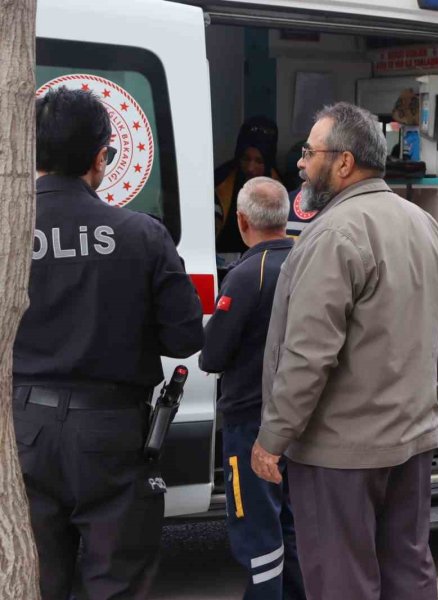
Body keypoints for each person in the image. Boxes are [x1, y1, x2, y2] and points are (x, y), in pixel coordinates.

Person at [250, 102, 438, 600]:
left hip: (339, 454)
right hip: (410, 441)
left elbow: (307, 355)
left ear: (344, 162)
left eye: (310, 152)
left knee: (342, 580)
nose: (301, 163)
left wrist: (273, 437)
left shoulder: (334, 233)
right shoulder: (421, 223)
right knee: (408, 571)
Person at [13, 86, 204, 599]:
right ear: (101, 157)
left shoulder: (8, 234)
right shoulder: (141, 233)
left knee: (34, 577)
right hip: (112, 431)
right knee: (117, 580)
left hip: (23, 427)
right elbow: (186, 337)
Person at [199, 176, 305, 600]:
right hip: (300, 419)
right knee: (291, 528)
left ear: (241, 220)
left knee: (256, 532)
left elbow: (212, 356)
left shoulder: (247, 275)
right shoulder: (308, 261)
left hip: (251, 424)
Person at [215, 115, 280, 257]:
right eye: (246, 159)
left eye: (259, 161)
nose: (251, 168)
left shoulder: (281, 189)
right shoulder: (220, 183)